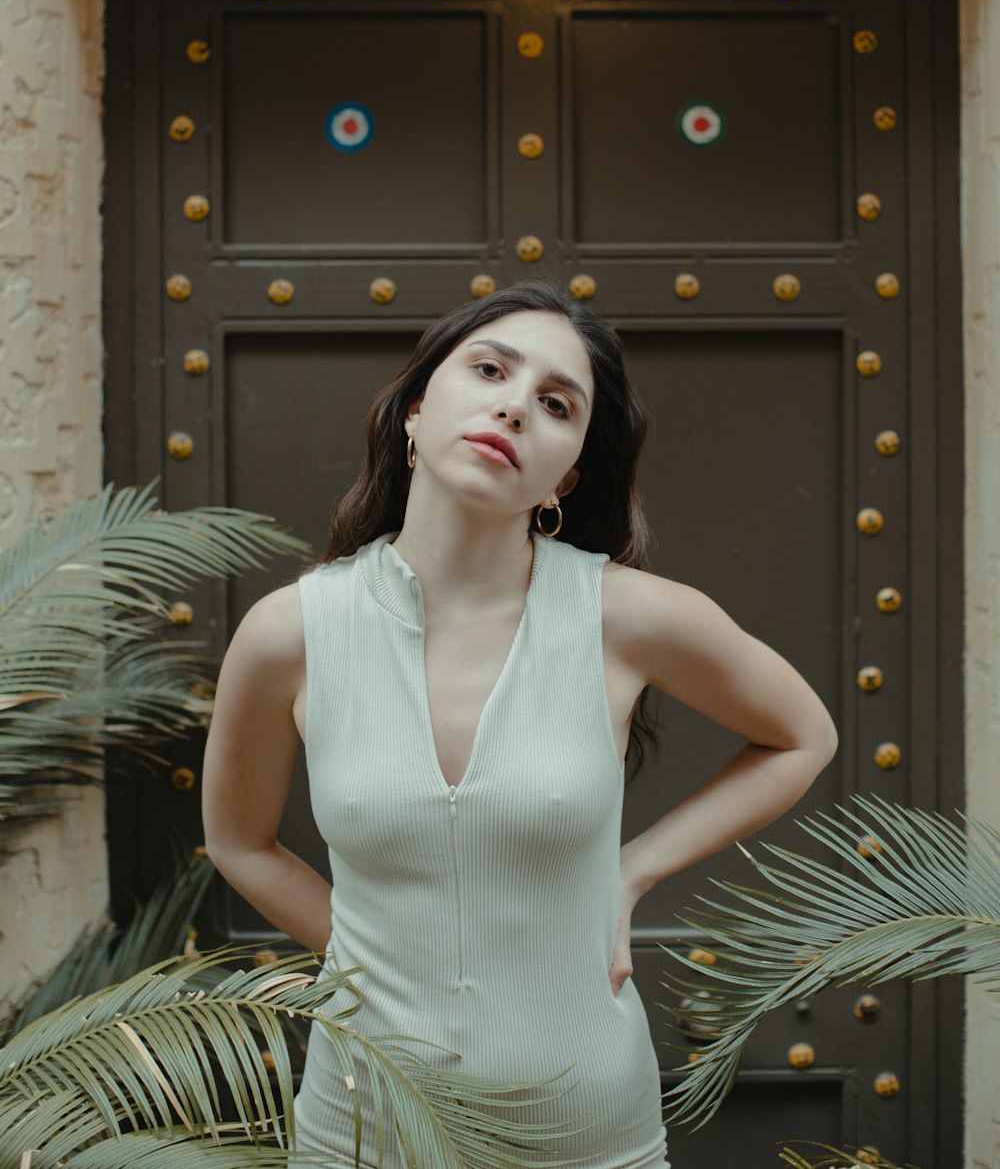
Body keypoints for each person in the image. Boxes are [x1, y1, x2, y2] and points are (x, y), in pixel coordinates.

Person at [202, 278, 838, 1169]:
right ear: (415, 416)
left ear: (565, 475)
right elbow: (239, 841)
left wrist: (631, 873)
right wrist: (359, 951)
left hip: (586, 1132)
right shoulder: (289, 632)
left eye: (554, 403)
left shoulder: (629, 616)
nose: (513, 406)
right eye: (490, 369)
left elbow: (804, 734)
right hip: (365, 1128)